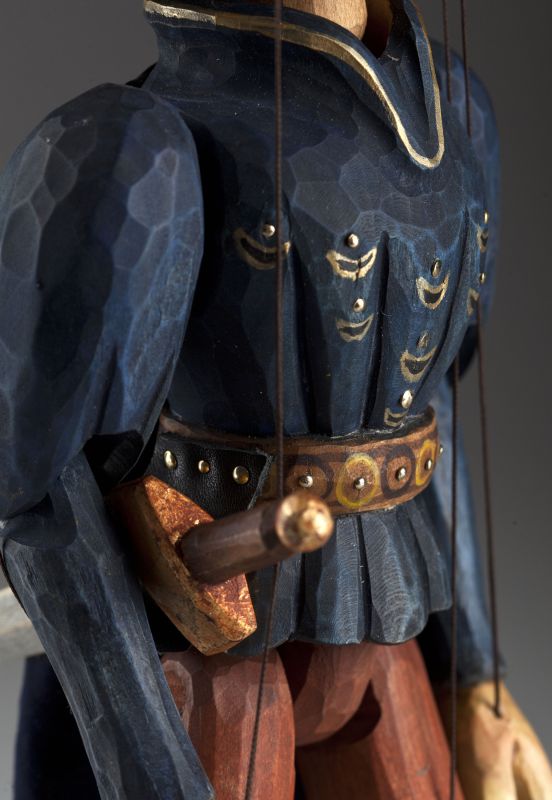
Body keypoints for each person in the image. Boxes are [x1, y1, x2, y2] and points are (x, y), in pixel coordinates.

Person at [1, 1, 550, 797]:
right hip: (192, 655)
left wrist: (475, 682)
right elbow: (44, 506)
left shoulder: (453, 116)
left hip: (387, 635)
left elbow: (424, 407)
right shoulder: (125, 152)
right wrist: (156, 776)